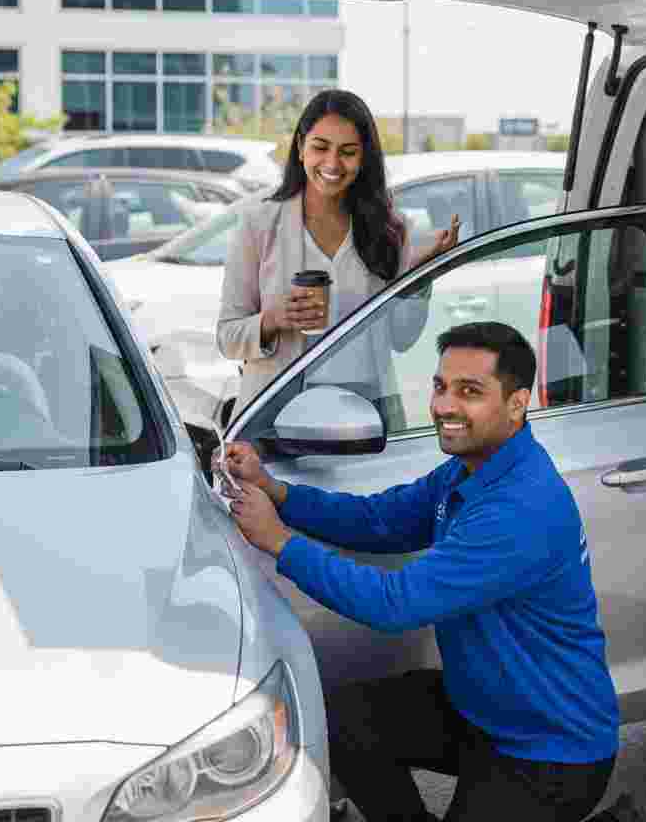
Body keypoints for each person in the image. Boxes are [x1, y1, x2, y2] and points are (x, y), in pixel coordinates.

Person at [221, 321, 621, 822]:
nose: (445, 406)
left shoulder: (521, 508)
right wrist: (276, 491)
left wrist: (278, 540)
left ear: (517, 403)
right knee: (345, 721)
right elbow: (379, 520)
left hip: (548, 752)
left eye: (470, 392)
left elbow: (395, 604)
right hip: (480, 712)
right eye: (440, 386)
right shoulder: (472, 467)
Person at [217, 88, 460, 418]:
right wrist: (273, 319)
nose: (332, 163)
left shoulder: (389, 228)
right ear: (301, 147)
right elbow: (227, 337)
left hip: (365, 419)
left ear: (364, 159)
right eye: (320, 147)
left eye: (348, 151)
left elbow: (401, 338)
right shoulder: (259, 222)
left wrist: (424, 274)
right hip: (279, 420)